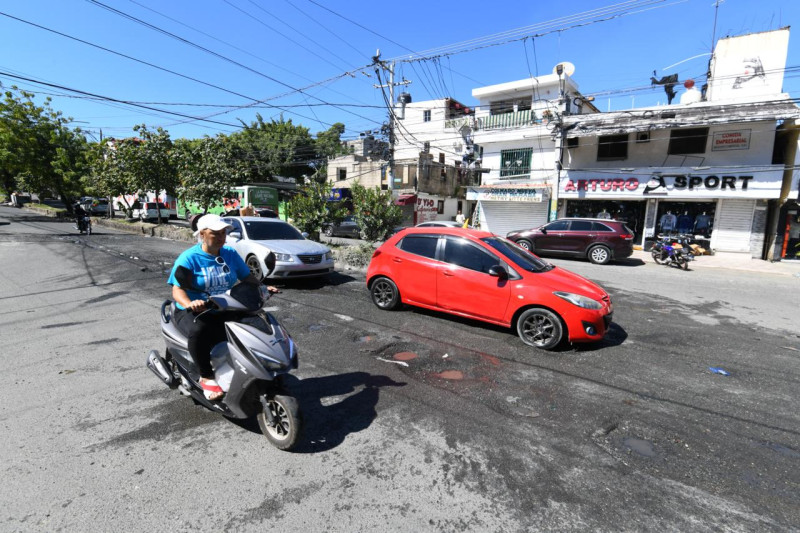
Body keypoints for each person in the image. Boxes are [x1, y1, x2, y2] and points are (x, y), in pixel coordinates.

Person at [167, 214, 277, 401]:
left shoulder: (230, 254)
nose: (221, 237)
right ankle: (207, 376)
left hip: (224, 306)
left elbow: (247, 278)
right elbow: (177, 291)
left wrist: (262, 287)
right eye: (215, 233)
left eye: (223, 233)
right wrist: (190, 303)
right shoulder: (189, 258)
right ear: (202, 234)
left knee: (256, 322)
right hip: (194, 311)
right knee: (200, 329)